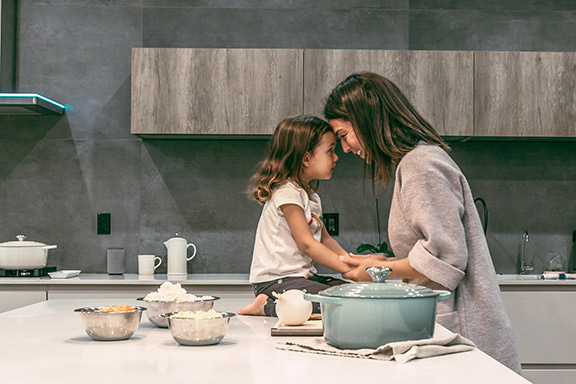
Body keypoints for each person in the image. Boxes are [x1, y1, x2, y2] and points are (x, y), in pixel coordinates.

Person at [323, 72, 521, 373]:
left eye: (343, 135)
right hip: (445, 328)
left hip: (463, 334)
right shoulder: (416, 162)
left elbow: (446, 258)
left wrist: (381, 270)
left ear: (367, 119)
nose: (346, 149)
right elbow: (433, 250)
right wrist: (386, 262)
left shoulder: (420, 166)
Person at [238, 115, 351, 317]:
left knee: (352, 294)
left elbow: (325, 239)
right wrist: (346, 267)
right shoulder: (287, 193)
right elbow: (307, 243)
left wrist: (351, 263)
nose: (336, 157)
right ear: (306, 158)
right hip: (276, 282)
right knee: (340, 301)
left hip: (301, 279)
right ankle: (266, 305)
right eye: (330, 151)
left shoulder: (311, 197)